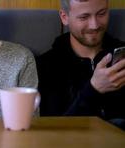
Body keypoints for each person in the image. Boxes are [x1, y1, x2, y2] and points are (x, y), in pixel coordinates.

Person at [36, 0, 125, 130]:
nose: (94, 25)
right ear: (64, 17)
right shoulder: (46, 66)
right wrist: (93, 89)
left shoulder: (122, 54)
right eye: (84, 17)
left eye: (101, 14)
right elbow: (54, 131)